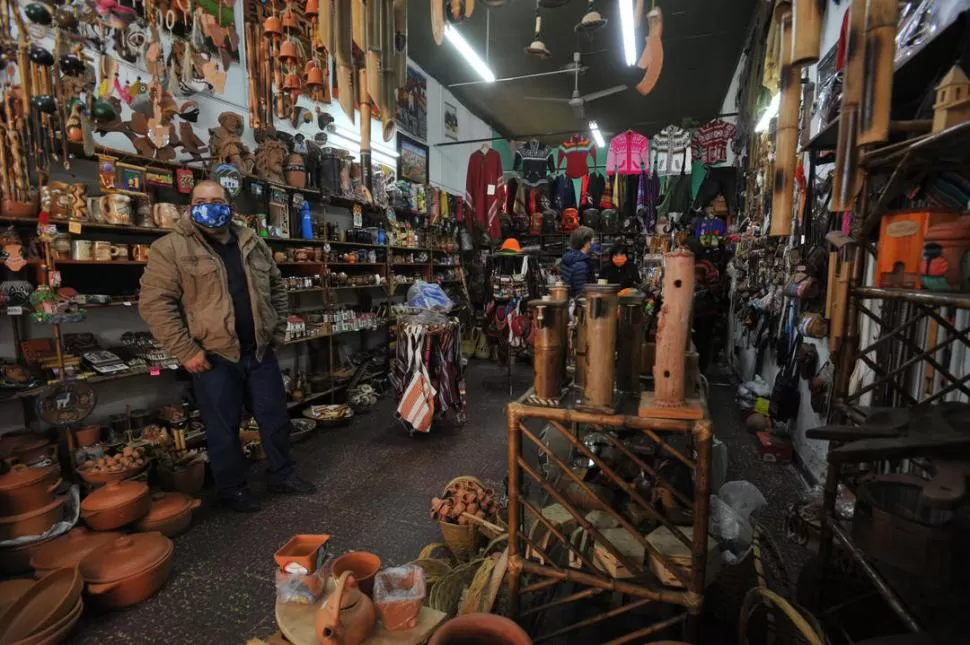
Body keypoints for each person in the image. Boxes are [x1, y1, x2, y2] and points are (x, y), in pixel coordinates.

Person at [139, 180, 315, 513]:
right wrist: (186, 350)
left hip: (260, 351)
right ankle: (232, 488)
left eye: (217, 200)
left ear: (229, 207)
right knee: (223, 427)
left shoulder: (251, 241)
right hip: (214, 356)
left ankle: (282, 474)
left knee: (275, 417)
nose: (210, 206)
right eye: (201, 200)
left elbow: (276, 286)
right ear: (190, 206)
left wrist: (276, 330)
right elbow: (154, 304)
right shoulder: (171, 247)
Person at [560, 226, 596, 297]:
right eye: (592, 240)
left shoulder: (570, 258)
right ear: (586, 242)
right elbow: (581, 292)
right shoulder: (581, 264)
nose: (593, 242)